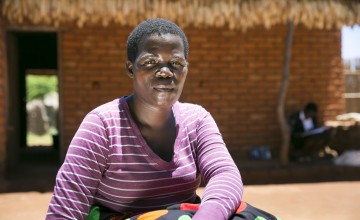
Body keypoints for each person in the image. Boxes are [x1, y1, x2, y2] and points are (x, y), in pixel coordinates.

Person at [46, 18, 276, 220]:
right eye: (150, 62)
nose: (165, 72)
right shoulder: (102, 126)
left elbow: (224, 174)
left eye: (176, 63)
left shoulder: (197, 120)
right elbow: (65, 211)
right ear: (130, 68)